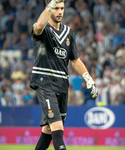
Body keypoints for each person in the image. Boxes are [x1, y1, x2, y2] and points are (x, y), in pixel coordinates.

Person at [29, 0, 98, 150]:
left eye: (62, 8)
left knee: (48, 130)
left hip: (62, 84)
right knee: (58, 128)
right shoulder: (41, 28)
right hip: (44, 81)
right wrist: (50, 5)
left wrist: (88, 78)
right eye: (56, 8)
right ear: (50, 8)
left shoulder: (68, 32)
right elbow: (39, 27)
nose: (60, 12)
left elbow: (75, 60)